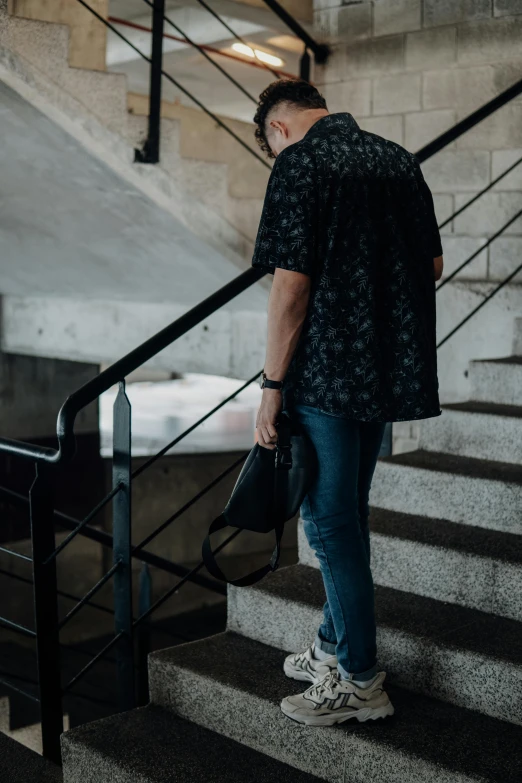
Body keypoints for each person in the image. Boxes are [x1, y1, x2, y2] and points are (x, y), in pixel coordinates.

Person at [251, 80, 444, 727]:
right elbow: (434, 262)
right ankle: (333, 646)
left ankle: (360, 678)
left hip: (326, 375)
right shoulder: (396, 158)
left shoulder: (300, 163)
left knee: (330, 524)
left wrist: (271, 386)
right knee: (345, 512)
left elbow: (291, 288)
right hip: (383, 368)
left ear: (277, 129)